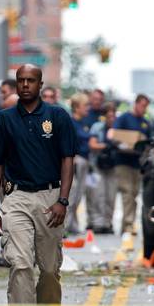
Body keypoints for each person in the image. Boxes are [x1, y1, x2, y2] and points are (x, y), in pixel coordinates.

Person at [0, 64, 76, 306]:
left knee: (49, 270)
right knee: (20, 264)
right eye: (20, 81)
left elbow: (68, 159)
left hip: (50, 197)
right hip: (16, 198)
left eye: (31, 81)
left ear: (40, 84)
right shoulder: (3, 120)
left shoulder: (57, 116)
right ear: (15, 84)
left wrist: (62, 200)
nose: (25, 85)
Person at [111, 94, 151, 237]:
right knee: (127, 193)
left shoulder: (145, 122)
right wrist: (124, 144)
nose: (144, 109)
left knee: (134, 194)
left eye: (146, 106)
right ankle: (127, 225)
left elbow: (149, 141)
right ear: (136, 104)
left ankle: (129, 224)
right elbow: (113, 135)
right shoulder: (124, 118)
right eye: (142, 105)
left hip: (137, 162)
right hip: (123, 161)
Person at [87, 103, 118, 234]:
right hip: (98, 164)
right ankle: (98, 223)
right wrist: (106, 146)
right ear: (104, 116)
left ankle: (108, 223)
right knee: (98, 195)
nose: (111, 118)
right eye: (109, 116)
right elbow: (92, 144)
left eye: (113, 115)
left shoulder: (118, 128)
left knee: (111, 196)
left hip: (114, 165)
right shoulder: (97, 127)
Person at [65, 93, 91, 236]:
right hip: (75, 160)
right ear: (76, 107)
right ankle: (64, 226)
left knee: (79, 195)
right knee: (71, 194)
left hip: (85, 160)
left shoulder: (83, 122)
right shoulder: (71, 122)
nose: (87, 108)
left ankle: (72, 224)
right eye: (84, 105)